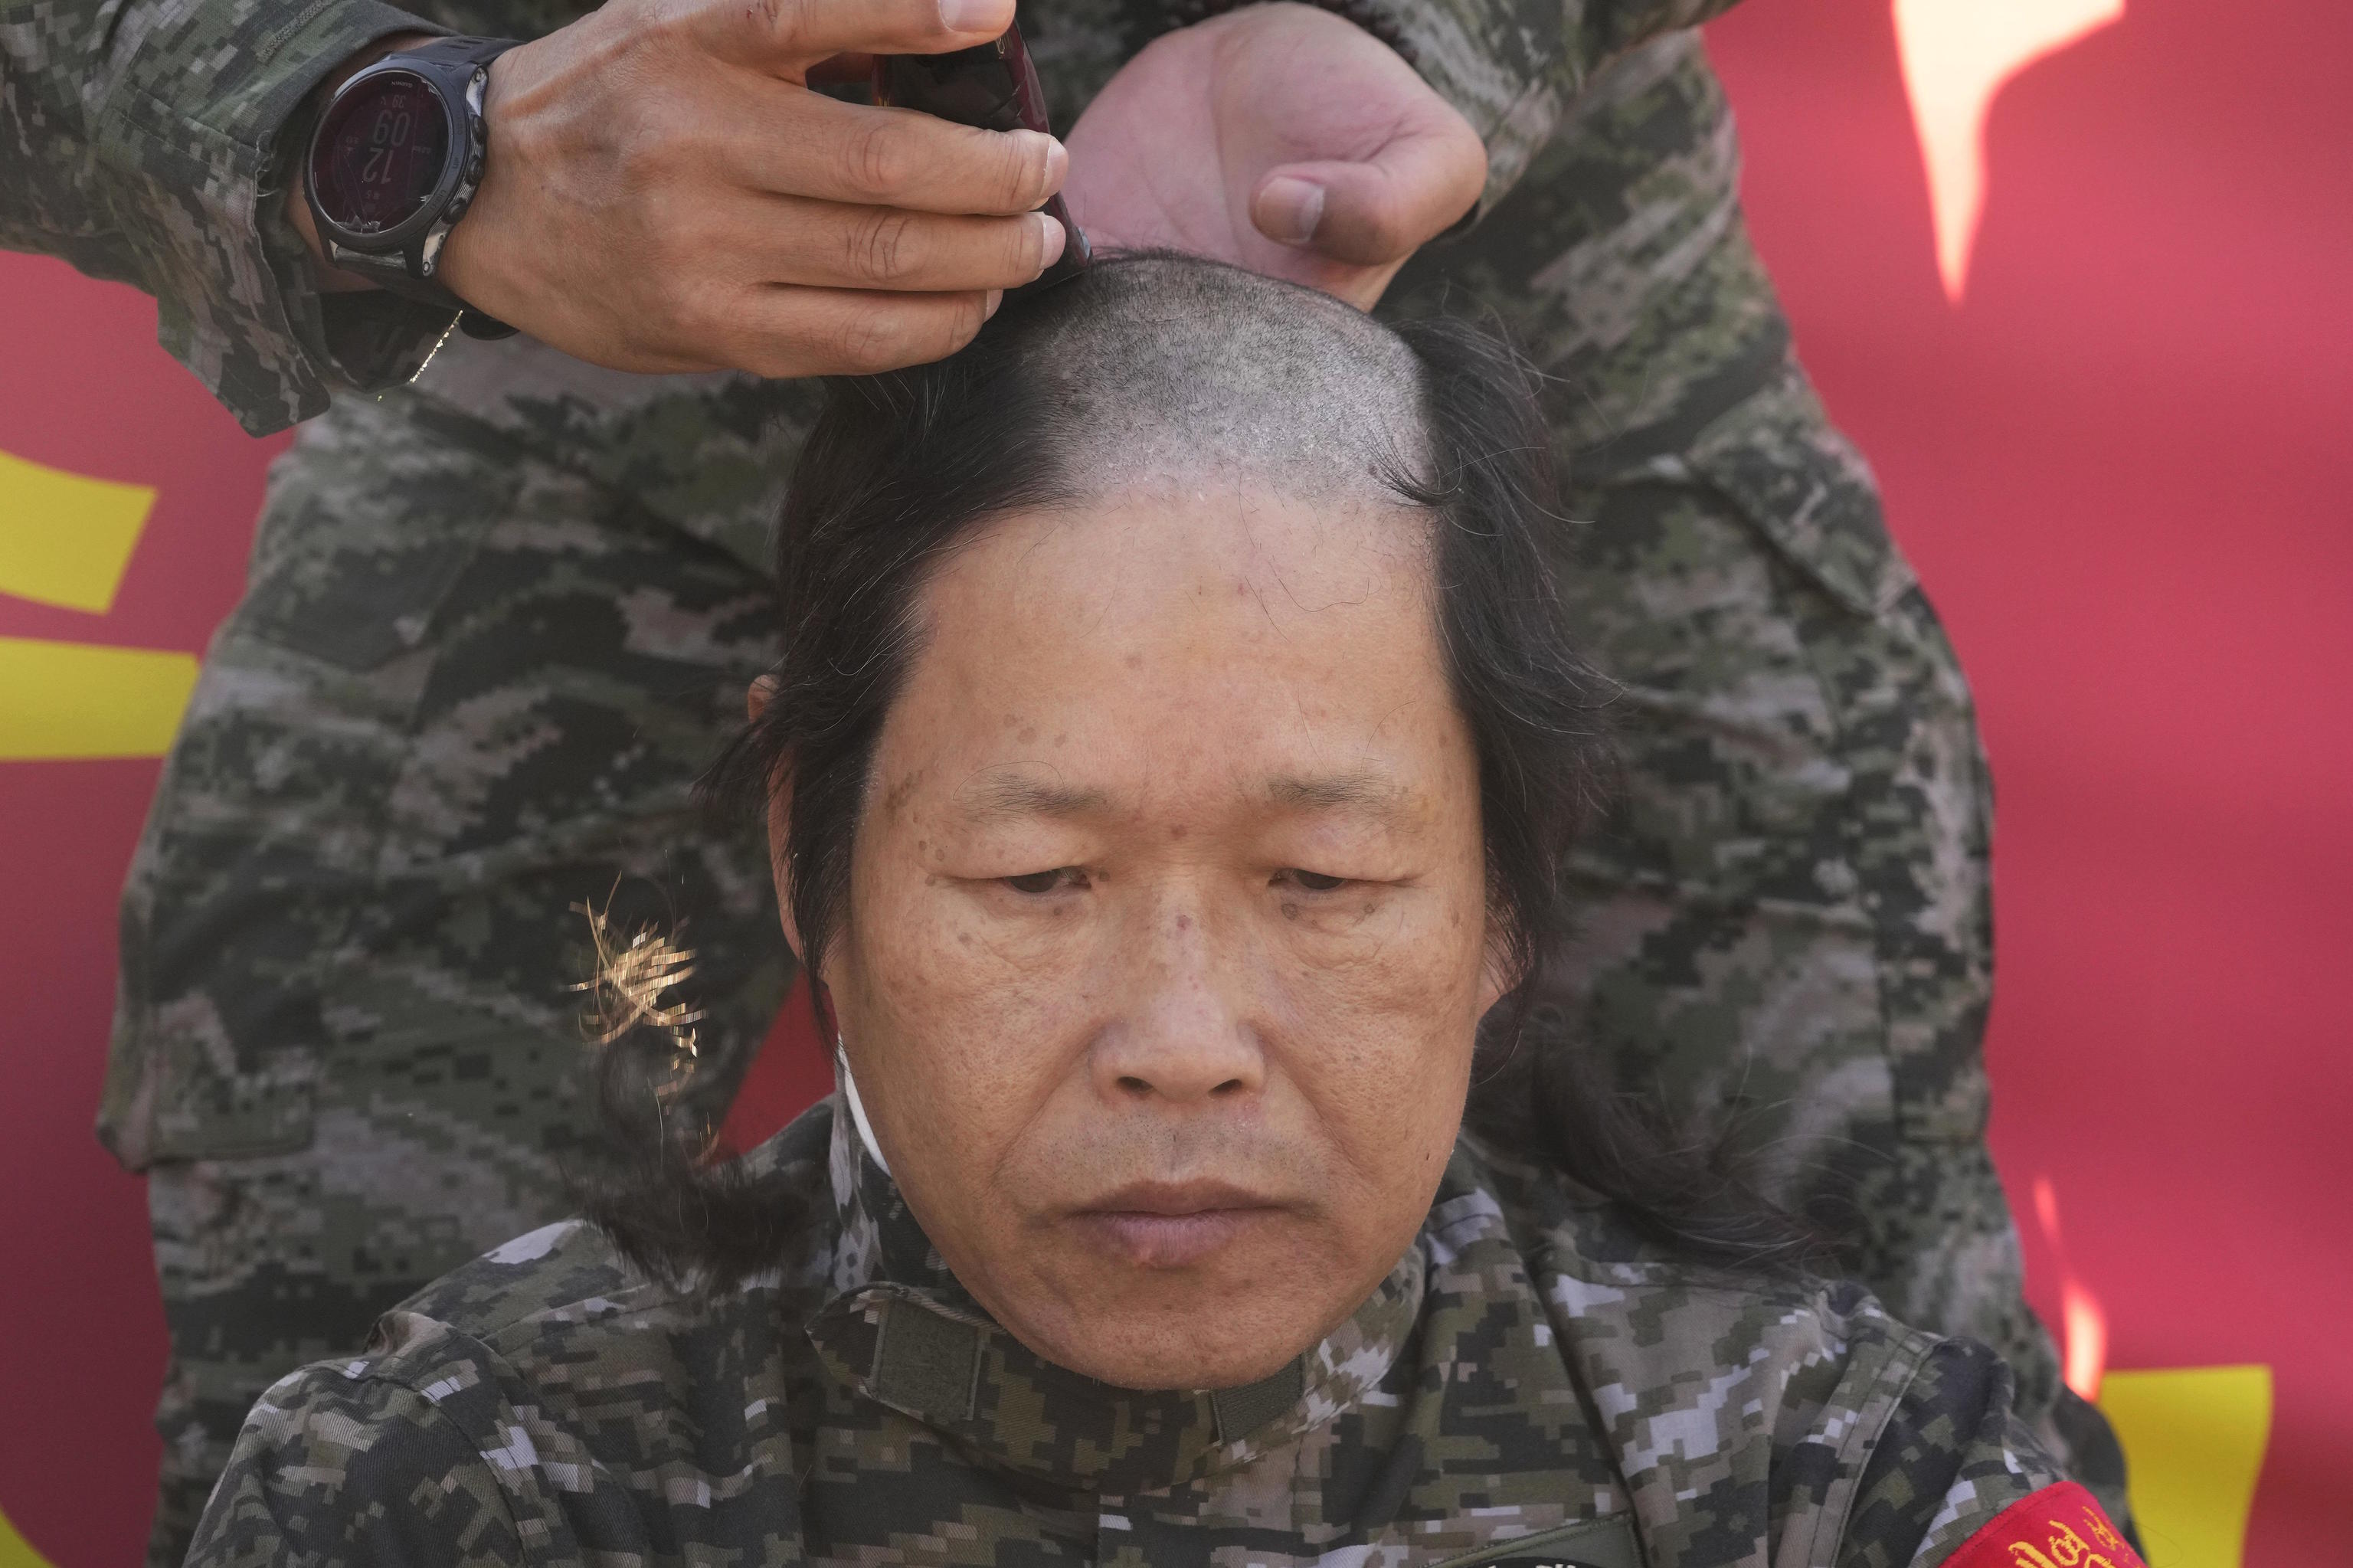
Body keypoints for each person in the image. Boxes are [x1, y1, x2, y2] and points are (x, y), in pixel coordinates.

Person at [2, 0, 2126, 1556]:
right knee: (363, 1355)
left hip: (1454, 284)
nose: (1181, 1039)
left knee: (1856, 1346)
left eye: (1323, 883)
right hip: (576, 301)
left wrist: (1423, 28)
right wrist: (394, 136)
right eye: (1040, 886)